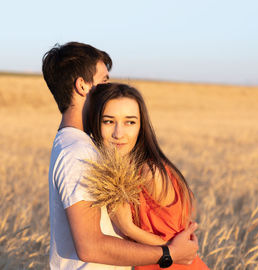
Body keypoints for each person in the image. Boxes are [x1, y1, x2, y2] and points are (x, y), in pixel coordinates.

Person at [42, 42, 199, 269]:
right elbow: (90, 246)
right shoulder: (78, 153)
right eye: (104, 80)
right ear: (82, 86)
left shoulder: (82, 146)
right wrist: (169, 253)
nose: (109, 87)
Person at [86, 83, 209, 269]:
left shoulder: (149, 172)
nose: (119, 134)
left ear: (141, 127)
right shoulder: (122, 171)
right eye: (109, 121)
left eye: (130, 122)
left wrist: (129, 228)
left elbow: (181, 251)